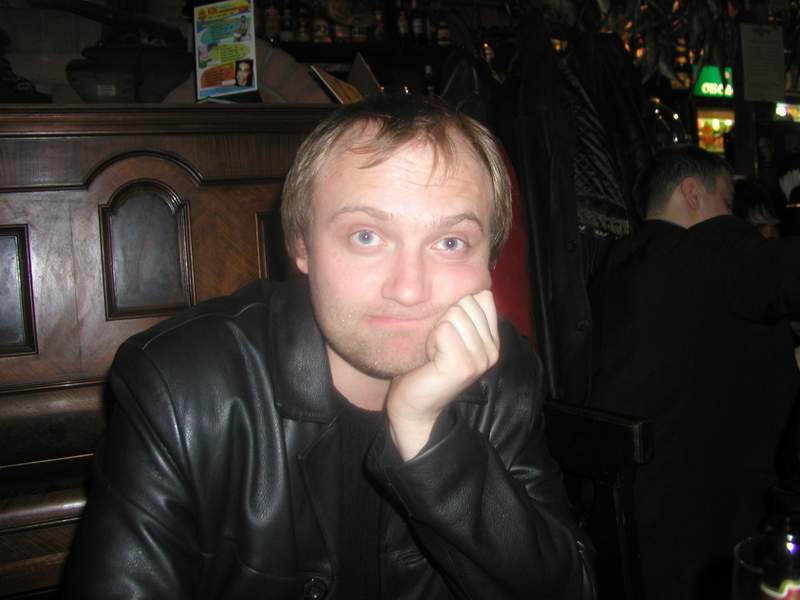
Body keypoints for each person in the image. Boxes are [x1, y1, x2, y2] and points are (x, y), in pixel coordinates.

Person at [62, 94, 594, 599]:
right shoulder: (181, 386)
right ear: (302, 246)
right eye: (366, 236)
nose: (409, 289)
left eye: (450, 242)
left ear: (489, 264)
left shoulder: (503, 372)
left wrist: (428, 435)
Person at [587, 145, 800, 599]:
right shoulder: (707, 250)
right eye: (727, 202)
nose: (734, 218)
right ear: (692, 193)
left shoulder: (616, 264)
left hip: (628, 512)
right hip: (705, 524)